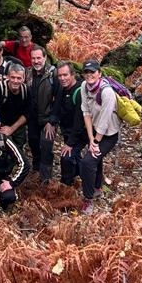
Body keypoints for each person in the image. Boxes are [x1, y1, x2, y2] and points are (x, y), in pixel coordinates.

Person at [80, 59, 121, 214]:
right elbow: (86, 112)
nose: (89, 75)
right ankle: (97, 188)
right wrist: (91, 138)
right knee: (96, 158)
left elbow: (104, 122)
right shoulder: (84, 86)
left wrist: (96, 142)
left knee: (88, 162)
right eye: (86, 72)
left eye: (93, 72)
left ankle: (88, 199)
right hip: (94, 130)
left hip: (109, 134)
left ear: (99, 73)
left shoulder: (107, 92)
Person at [47, 60, 87, 189]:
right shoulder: (62, 88)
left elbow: (79, 122)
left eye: (65, 75)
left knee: (66, 157)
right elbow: (57, 105)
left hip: (81, 133)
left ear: (73, 74)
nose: (62, 78)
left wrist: (70, 143)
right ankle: (82, 176)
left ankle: (66, 186)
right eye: (60, 76)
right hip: (68, 130)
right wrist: (51, 122)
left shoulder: (79, 92)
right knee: (74, 157)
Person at [25, 46, 56, 181]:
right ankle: (36, 168)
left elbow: (59, 99)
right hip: (32, 118)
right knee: (33, 142)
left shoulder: (53, 74)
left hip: (48, 118)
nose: (36, 61)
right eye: (33, 58)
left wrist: (52, 121)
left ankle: (46, 177)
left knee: (46, 144)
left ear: (44, 57)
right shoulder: (28, 73)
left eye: (39, 58)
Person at [0, 63, 30, 159]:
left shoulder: (26, 90)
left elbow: (27, 112)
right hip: (1, 124)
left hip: (18, 124)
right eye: (13, 77)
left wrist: (13, 128)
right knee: (4, 148)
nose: (15, 81)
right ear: (7, 77)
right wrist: (2, 129)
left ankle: (18, 164)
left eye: (19, 78)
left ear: (24, 78)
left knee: (19, 146)